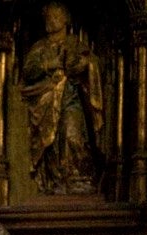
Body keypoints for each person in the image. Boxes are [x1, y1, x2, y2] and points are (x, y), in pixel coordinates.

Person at [20, 2, 103, 195]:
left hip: (71, 99)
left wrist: (86, 65)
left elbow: (92, 63)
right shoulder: (40, 47)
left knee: (72, 135)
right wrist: (51, 64)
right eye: (47, 17)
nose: (51, 20)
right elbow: (28, 71)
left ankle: (77, 178)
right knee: (50, 143)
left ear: (66, 19)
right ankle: (55, 181)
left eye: (55, 16)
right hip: (46, 102)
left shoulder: (75, 43)